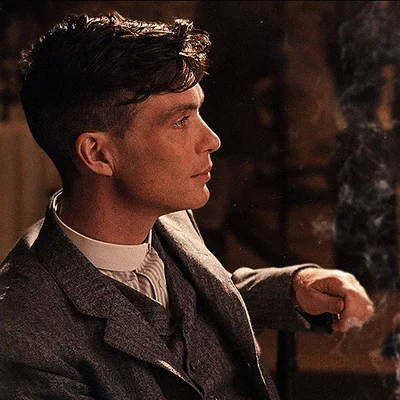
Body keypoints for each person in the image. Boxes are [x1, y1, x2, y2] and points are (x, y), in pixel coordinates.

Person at [0, 13, 374, 400]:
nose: (212, 140)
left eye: (198, 112)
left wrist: (294, 287)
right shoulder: (23, 332)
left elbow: (204, 300)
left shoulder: (171, 219)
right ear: (98, 154)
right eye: (180, 121)